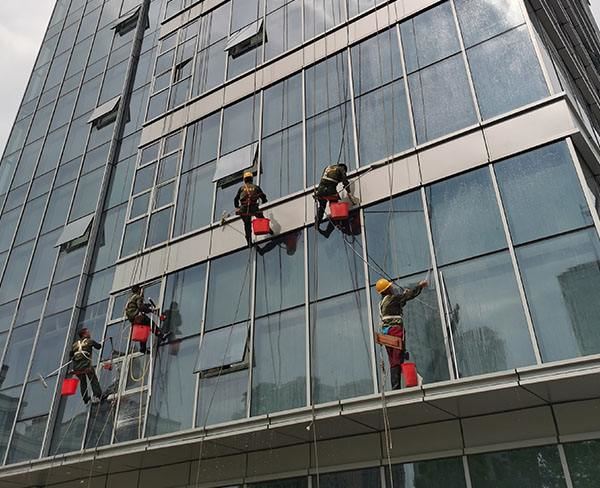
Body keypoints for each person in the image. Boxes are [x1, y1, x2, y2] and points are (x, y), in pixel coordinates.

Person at [376, 278, 428, 390]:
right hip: (394, 331)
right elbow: (408, 296)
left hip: (387, 333)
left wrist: (403, 296)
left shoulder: (383, 302)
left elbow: (398, 304)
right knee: (396, 359)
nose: (392, 288)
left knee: (394, 360)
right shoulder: (392, 299)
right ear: (387, 290)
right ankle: (396, 387)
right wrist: (420, 286)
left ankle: (396, 387)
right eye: (390, 287)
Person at [125, 284, 166, 353]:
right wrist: (150, 310)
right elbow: (141, 307)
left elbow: (138, 306)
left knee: (143, 330)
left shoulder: (130, 298)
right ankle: (161, 335)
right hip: (137, 316)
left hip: (133, 319)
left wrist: (146, 306)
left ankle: (143, 348)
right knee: (150, 323)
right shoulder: (138, 297)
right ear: (139, 290)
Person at [234, 171, 270, 247]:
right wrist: (264, 201)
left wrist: (237, 207)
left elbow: (236, 199)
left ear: (244, 180)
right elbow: (262, 196)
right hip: (253, 207)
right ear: (251, 179)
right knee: (261, 218)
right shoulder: (256, 187)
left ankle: (249, 241)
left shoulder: (241, 188)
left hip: (243, 209)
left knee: (247, 225)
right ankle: (269, 230)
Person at [69, 328, 103, 404]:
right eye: (88, 332)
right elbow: (98, 347)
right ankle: (98, 394)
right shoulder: (89, 341)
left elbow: (71, 354)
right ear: (84, 334)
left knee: (83, 381)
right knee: (93, 379)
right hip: (86, 366)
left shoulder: (75, 344)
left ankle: (85, 398)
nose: (89, 333)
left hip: (77, 367)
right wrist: (99, 344)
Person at [314, 163, 354, 227]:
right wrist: (348, 191)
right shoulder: (341, 169)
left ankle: (317, 222)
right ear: (344, 168)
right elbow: (345, 181)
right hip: (330, 190)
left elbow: (324, 179)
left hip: (320, 191)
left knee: (322, 207)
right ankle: (337, 222)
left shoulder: (327, 167)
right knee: (334, 204)